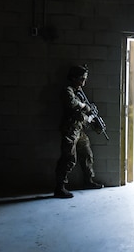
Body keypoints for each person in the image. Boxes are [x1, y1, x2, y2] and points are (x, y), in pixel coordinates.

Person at [54, 64, 104, 198]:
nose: (84, 82)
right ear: (74, 78)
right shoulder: (68, 90)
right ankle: (60, 187)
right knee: (69, 158)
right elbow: (72, 104)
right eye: (82, 78)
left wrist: (91, 116)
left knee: (87, 154)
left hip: (79, 129)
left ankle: (88, 180)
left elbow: (83, 112)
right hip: (70, 129)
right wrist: (85, 107)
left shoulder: (79, 92)